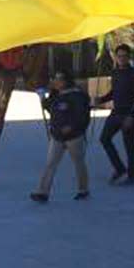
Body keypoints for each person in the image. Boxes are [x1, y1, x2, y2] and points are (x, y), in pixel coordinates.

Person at [32, 72, 92, 202]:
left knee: (78, 163)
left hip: (74, 136)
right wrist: (42, 98)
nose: (54, 81)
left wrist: (72, 127)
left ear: (66, 81)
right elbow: (49, 108)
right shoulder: (56, 94)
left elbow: (82, 115)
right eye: (54, 79)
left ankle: (83, 189)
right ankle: (43, 192)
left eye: (58, 79)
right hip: (57, 135)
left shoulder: (77, 95)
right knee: (50, 163)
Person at [97, 45, 134, 185]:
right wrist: (101, 99)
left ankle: (133, 176)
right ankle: (120, 168)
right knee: (104, 139)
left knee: (129, 144)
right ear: (116, 57)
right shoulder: (115, 73)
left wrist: (132, 116)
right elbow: (113, 92)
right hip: (116, 112)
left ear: (129, 57)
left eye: (124, 56)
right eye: (119, 56)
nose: (121, 58)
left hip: (129, 114)